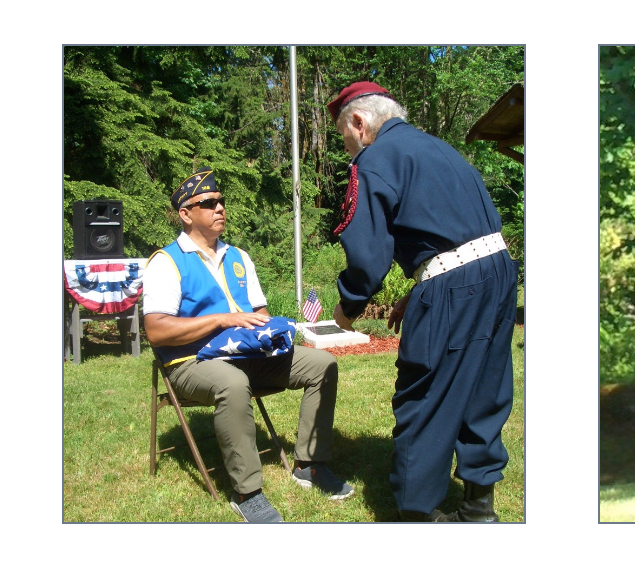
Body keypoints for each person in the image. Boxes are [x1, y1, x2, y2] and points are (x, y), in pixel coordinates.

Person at [326, 81, 517, 522]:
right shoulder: (440, 149)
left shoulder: (375, 159)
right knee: (484, 387)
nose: (348, 147)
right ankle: (478, 508)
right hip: (498, 272)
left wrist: (349, 305)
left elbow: (368, 254)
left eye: (344, 137)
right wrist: (420, 289)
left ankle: (418, 514)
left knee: (424, 391)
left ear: (358, 122)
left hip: (458, 288)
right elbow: (458, 232)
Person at [143, 167, 352, 522]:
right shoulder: (166, 263)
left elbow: (260, 312)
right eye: (208, 203)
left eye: (221, 201)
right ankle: (247, 491)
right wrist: (222, 320)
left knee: (322, 364)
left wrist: (274, 331)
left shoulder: (239, 256)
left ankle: (309, 464)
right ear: (186, 214)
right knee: (232, 383)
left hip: (247, 354)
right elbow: (157, 331)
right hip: (191, 362)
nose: (220, 207)